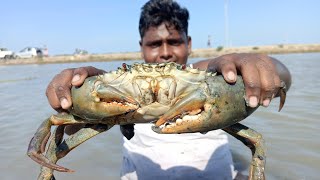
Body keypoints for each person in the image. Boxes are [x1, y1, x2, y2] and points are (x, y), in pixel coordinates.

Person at [46, 0, 291, 179]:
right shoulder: (115, 84)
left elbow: (282, 77)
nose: (164, 52)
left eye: (174, 42)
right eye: (154, 44)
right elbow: (66, 127)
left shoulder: (209, 76)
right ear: (141, 47)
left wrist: (262, 65)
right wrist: (75, 96)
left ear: (188, 44)